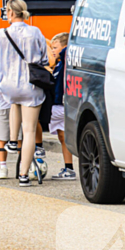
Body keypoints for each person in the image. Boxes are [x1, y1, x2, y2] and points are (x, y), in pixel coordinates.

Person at [0, 0, 49, 187]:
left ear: (9, 13)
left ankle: (12, 140)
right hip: (30, 85)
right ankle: (24, 175)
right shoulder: (35, 32)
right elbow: (44, 58)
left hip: (9, 85)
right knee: (30, 131)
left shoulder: (0, 34)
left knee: (14, 102)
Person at [49, 33, 75, 180]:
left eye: (55, 47)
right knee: (62, 136)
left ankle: (35, 159)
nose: (52, 50)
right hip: (58, 104)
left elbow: (67, 51)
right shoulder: (58, 64)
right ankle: (68, 168)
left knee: (33, 122)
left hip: (61, 104)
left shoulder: (65, 59)